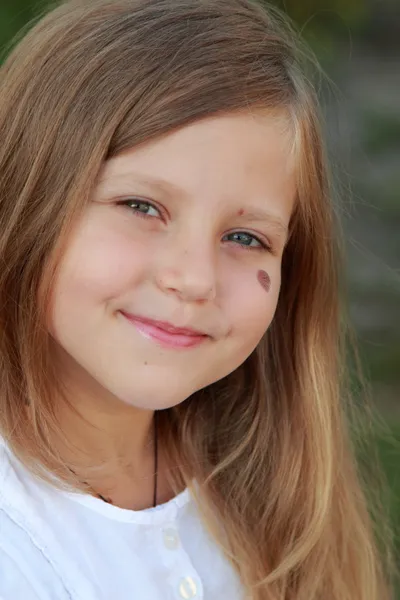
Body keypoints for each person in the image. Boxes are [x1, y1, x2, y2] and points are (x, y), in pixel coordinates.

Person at [0, 0, 393, 598]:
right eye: (141, 207)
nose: (194, 278)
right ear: (27, 192)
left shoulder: (266, 496)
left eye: (245, 237)